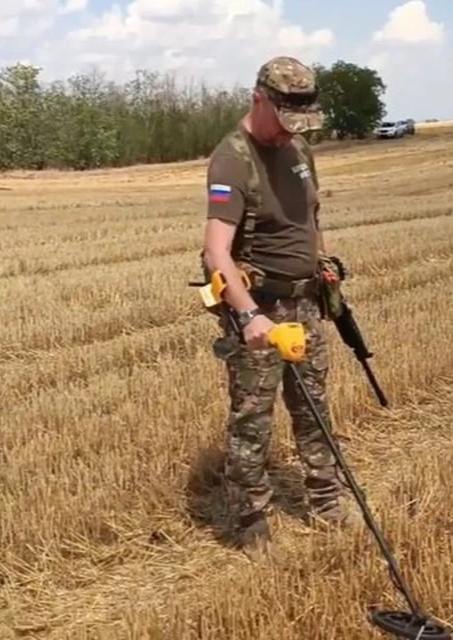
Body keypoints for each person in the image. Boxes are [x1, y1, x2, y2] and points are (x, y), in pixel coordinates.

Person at [201, 55, 350, 551]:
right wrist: (248, 315)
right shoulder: (232, 158)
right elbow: (216, 250)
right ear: (258, 99)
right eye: (284, 121)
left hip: (305, 304)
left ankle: (326, 499)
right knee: (253, 419)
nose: (291, 133)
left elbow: (310, 218)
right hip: (260, 305)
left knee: (315, 411)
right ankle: (249, 519)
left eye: (299, 124)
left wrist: (322, 262)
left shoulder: (299, 147)